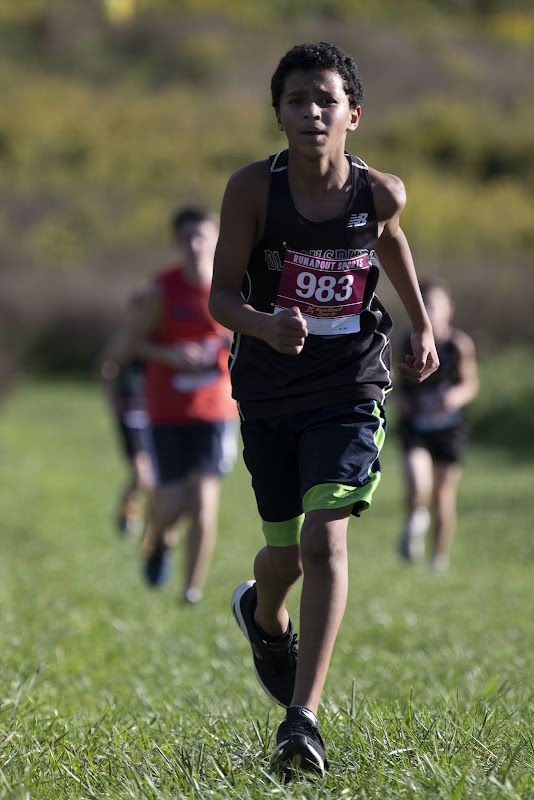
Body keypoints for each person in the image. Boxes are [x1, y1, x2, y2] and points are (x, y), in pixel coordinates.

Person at [209, 41, 439, 778]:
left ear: (353, 116)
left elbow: (391, 243)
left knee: (323, 539)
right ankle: (263, 617)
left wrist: (423, 326)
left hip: (351, 383)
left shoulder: (381, 192)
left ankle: (300, 721)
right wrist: (263, 324)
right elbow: (220, 297)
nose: (312, 112)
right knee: (282, 558)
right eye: (297, 100)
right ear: (277, 114)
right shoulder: (251, 191)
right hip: (270, 389)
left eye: (326, 100)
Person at [129, 203, 238, 603]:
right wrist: (172, 355)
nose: (196, 244)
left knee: (204, 503)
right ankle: (158, 539)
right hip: (167, 411)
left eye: (204, 235)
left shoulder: (233, 289)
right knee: (173, 502)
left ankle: (191, 590)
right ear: (177, 241)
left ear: (216, 238)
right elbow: (133, 343)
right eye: (189, 236)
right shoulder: (162, 290)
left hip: (216, 409)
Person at [396, 280, 479, 571]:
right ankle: (413, 521)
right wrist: (407, 404)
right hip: (416, 427)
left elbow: (471, 384)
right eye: (424, 305)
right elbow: (395, 387)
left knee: (443, 494)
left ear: (450, 310)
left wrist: (456, 396)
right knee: (418, 485)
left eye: (435, 305)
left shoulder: (459, 345)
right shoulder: (406, 342)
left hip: (448, 428)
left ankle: (438, 561)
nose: (430, 311)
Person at [98, 329, 154, 535]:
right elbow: (105, 365)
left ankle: (152, 527)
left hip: (155, 415)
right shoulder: (124, 340)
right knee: (142, 475)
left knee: (154, 478)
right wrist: (110, 395)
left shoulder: (162, 339)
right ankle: (129, 513)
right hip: (130, 414)